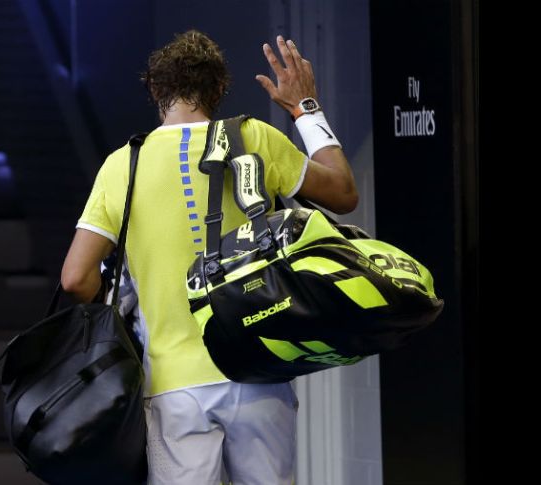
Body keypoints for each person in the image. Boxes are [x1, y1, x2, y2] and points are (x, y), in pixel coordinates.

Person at [61, 30, 358, 485]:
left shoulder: (123, 165)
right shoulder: (253, 137)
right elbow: (343, 193)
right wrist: (306, 108)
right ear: (219, 89)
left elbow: (75, 279)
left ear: (154, 90)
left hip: (173, 387)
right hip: (258, 371)